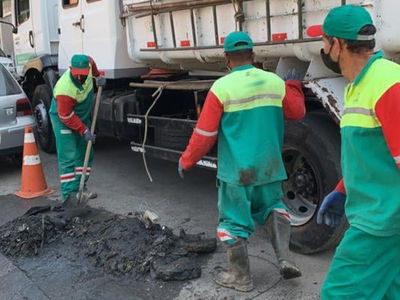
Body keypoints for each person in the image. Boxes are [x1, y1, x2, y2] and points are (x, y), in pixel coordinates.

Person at [178, 31, 305, 292]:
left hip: (237, 172)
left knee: (233, 222)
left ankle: (240, 277)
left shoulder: (222, 88)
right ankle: (284, 258)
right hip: (270, 167)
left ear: (227, 58)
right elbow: (298, 111)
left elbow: (204, 135)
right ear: (253, 55)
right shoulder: (274, 82)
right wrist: (293, 86)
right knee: (274, 208)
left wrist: (187, 160)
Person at [314, 5, 400, 299]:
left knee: (338, 294)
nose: (323, 48)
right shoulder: (358, 85)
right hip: (381, 220)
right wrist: (343, 189)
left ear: (337, 45)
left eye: (324, 41)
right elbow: (370, 153)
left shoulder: (387, 82)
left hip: (380, 226)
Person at [49, 54, 105, 207]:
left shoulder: (88, 67)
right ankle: (69, 196)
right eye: (77, 74)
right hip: (63, 119)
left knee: (85, 151)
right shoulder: (64, 89)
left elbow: (91, 61)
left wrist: (98, 75)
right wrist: (83, 130)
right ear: (71, 70)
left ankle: (81, 187)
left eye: (84, 74)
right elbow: (66, 116)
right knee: (68, 156)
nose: (80, 77)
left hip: (81, 116)